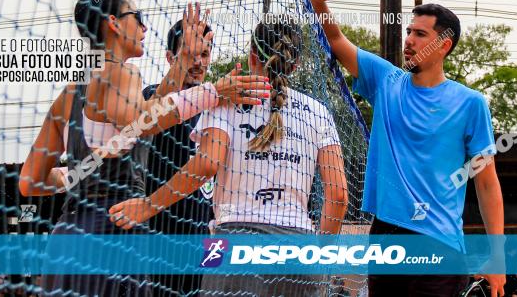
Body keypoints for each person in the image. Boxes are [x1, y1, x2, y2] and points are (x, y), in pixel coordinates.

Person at [19, 0, 270, 297]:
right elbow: (142, 122)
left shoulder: (67, 96)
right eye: (138, 16)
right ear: (114, 23)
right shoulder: (123, 72)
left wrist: (80, 171)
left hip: (69, 236)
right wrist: (214, 91)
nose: (144, 26)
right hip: (112, 233)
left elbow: (30, 182)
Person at [108, 16, 349, 297]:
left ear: (251, 56)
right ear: (295, 65)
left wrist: (148, 206)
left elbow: (207, 164)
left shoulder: (225, 98)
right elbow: (339, 195)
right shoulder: (319, 112)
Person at [307, 0, 505, 297]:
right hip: (385, 235)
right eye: (409, 31)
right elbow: (337, 40)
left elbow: (486, 184)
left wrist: (497, 257)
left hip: (439, 242)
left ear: (443, 45)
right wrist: (318, 1)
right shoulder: (387, 81)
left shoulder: (470, 103)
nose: (409, 39)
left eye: (420, 34)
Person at [142, 18, 216, 297]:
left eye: (204, 54)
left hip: (209, 238)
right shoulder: (155, 97)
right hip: (162, 236)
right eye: (190, 52)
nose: (198, 61)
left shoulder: (216, 106)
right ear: (171, 57)